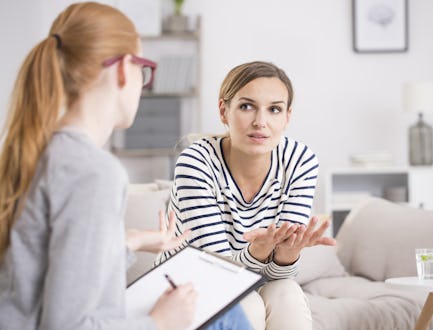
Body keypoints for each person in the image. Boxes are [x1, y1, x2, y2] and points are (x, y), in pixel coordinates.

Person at [0, 2, 250, 330]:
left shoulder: (38, 150)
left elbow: (48, 267)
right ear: (123, 69)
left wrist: (132, 240)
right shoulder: (93, 171)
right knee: (225, 315)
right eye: (143, 70)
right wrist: (161, 322)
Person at [159, 61, 336, 329]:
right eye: (246, 106)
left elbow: (281, 275)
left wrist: (287, 254)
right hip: (187, 285)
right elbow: (217, 272)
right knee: (248, 304)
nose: (260, 122)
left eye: (274, 109)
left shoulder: (299, 161)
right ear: (224, 111)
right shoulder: (197, 162)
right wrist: (259, 252)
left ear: (287, 117)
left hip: (251, 279)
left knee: (286, 293)